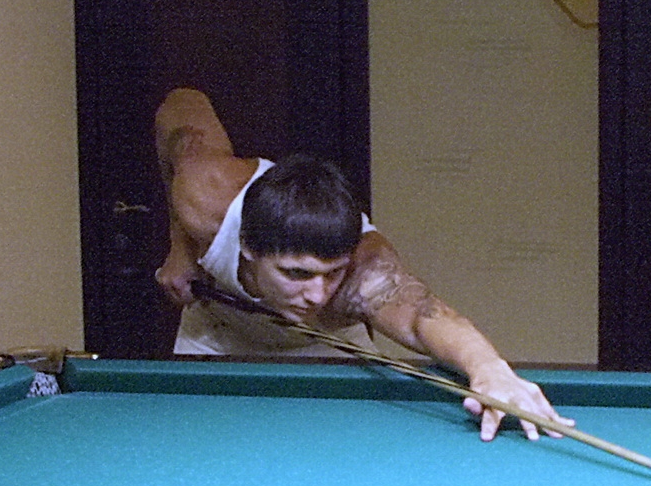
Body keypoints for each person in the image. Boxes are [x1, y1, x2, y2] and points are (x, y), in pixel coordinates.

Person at [153, 88, 568, 441]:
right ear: (247, 246)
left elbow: (422, 316)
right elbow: (182, 103)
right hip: (217, 335)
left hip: (324, 346)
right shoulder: (206, 195)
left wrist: (489, 368)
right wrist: (180, 246)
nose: (317, 295)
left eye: (331, 273)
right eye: (297, 273)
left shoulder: (363, 277)